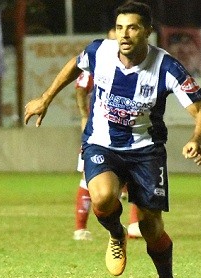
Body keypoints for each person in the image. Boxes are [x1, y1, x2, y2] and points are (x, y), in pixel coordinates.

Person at [23, 2, 201, 278]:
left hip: (146, 150)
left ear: (147, 32)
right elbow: (75, 64)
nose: (124, 35)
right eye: (121, 27)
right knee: (103, 196)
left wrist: (197, 140)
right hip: (102, 143)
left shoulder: (167, 67)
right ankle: (116, 234)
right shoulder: (101, 51)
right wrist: (45, 98)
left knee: (151, 227)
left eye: (133, 27)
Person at [72, 28, 141, 241]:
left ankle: (134, 225)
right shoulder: (99, 58)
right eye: (117, 33)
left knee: (136, 178)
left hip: (127, 133)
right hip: (99, 133)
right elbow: (81, 86)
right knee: (88, 178)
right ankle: (80, 228)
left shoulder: (140, 63)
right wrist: (85, 115)